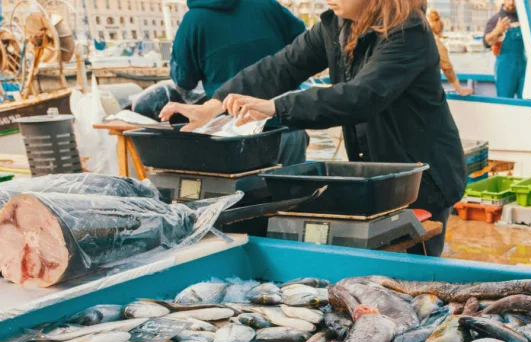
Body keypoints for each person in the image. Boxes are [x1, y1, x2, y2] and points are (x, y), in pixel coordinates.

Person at [160, 0, 466, 257]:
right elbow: (280, 67)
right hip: (377, 176)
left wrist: (275, 107)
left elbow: (361, 97)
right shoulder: (335, 26)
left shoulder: (408, 32)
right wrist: (211, 107)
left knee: (415, 280)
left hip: (424, 179)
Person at [134, 0, 308, 165]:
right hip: (286, 122)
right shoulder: (267, 4)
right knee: (295, 191)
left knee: (244, 193)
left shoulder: (193, 21)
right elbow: (303, 45)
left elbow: (184, 80)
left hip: (234, 133)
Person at [483, 0, 526, 99]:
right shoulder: (496, 19)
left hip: (523, 67)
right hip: (505, 69)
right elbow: (486, 42)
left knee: (526, 99)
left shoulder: (524, 18)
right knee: (505, 100)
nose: (511, 2)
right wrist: (497, 30)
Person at [427, 9, 473, 97]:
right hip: (427, 92)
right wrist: (460, 90)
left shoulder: (417, 38)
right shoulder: (437, 44)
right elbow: (447, 69)